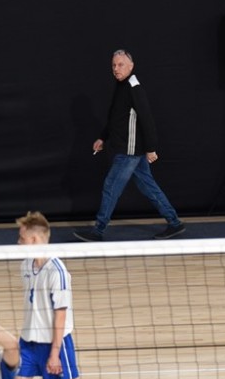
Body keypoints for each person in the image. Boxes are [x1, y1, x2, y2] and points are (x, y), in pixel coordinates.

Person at [74, 49, 186, 242]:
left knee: (110, 186)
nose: (116, 69)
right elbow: (115, 118)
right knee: (148, 187)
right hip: (128, 149)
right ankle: (175, 223)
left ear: (131, 66)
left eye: (120, 65)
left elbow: (147, 119)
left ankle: (97, 231)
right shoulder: (121, 86)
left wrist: (151, 148)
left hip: (129, 151)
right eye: (113, 65)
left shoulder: (134, 87)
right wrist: (103, 138)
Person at [10, 211, 88, 379]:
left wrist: (54, 354)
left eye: (22, 238)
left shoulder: (58, 272)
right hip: (28, 342)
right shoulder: (26, 265)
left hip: (56, 343)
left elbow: (60, 316)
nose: (18, 242)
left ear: (34, 239)